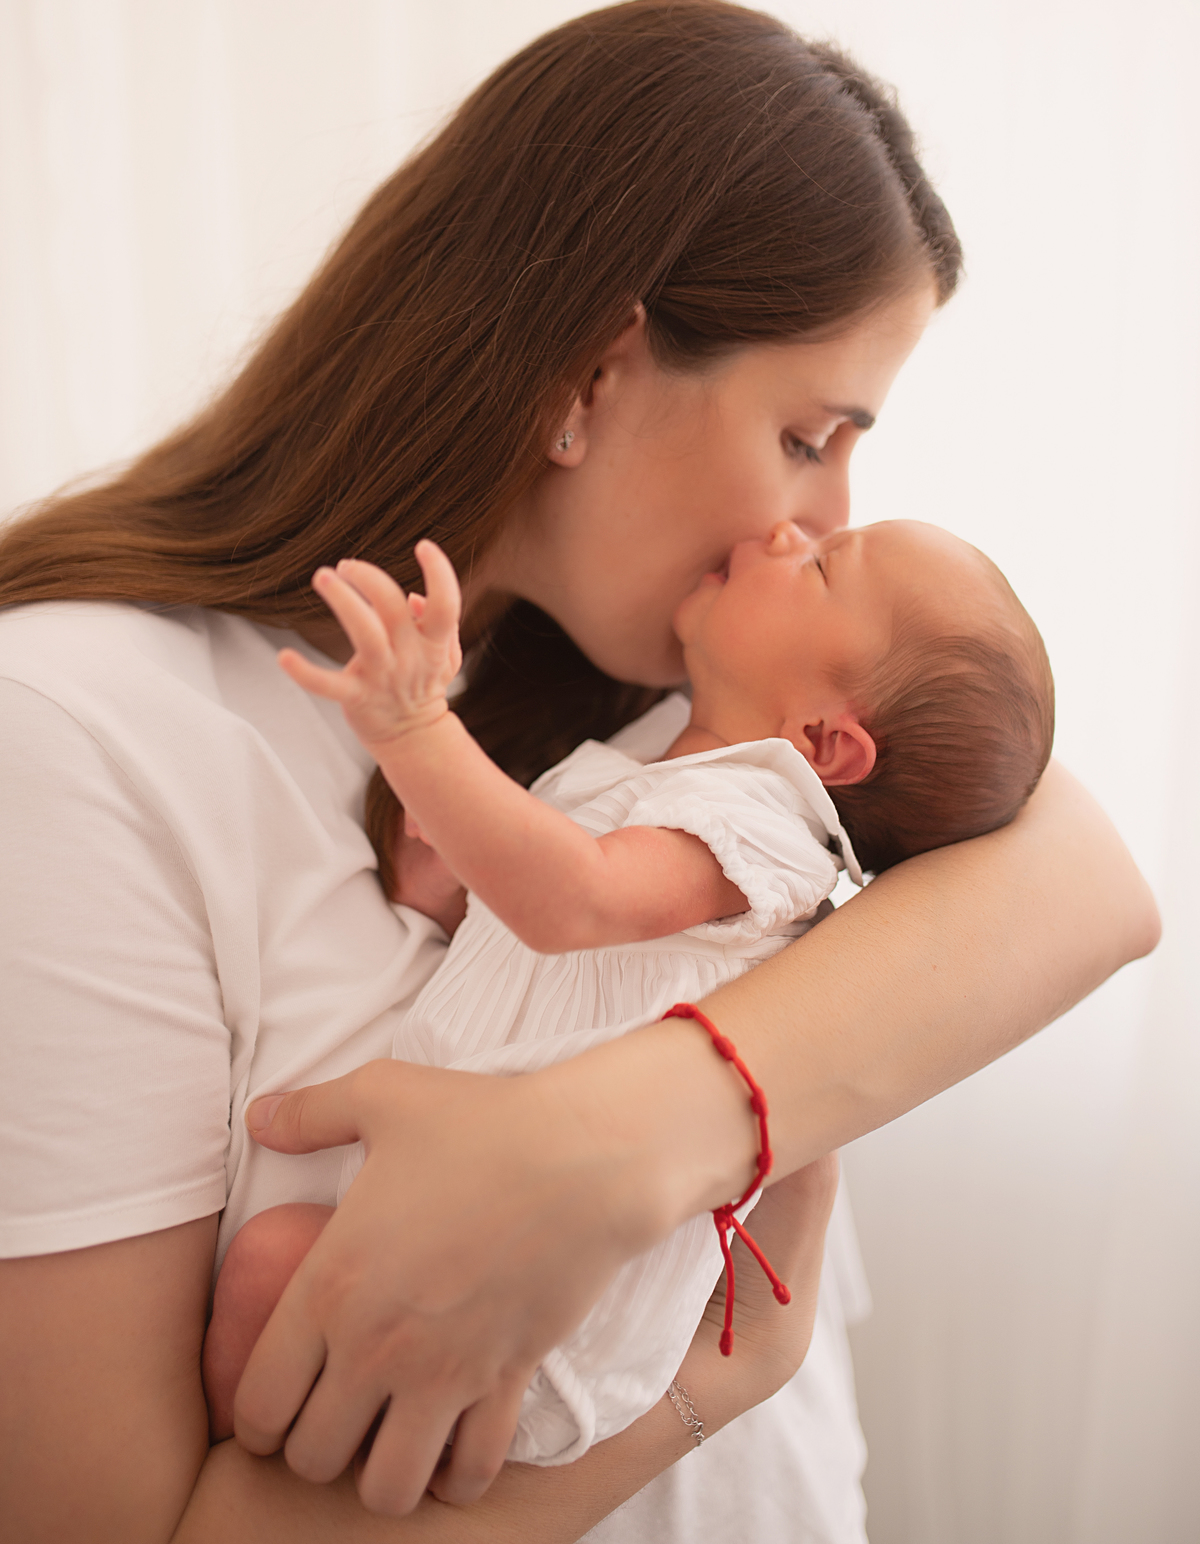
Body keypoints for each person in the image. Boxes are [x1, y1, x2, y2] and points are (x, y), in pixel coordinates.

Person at [0, 0, 1158, 1544]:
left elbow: (1089, 882)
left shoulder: (664, 702)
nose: (817, 521)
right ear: (591, 378)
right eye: (811, 434)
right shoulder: (73, 729)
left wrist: (606, 1152)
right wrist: (705, 1383)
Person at [202, 513, 1054, 1465]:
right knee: (278, 1266)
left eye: (818, 565)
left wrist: (416, 727)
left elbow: (576, 898)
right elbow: (547, 904)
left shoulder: (767, 825)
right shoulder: (654, 776)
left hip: (543, 1314)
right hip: (478, 1224)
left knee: (273, 1263)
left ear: (822, 740)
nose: (783, 528)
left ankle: (237, 1490)